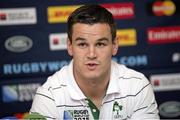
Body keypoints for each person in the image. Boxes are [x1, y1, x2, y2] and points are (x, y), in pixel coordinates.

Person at [29, 4, 159, 120]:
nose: (91, 54)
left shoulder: (137, 86)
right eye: (82, 44)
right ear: (70, 46)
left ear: (114, 46)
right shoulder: (49, 96)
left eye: (100, 44)